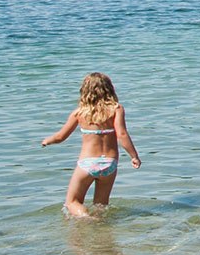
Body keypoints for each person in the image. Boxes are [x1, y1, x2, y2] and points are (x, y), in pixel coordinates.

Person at [41, 72, 141, 218]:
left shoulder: (79, 113)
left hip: (87, 164)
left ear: (85, 91)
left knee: (72, 202)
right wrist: (134, 156)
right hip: (109, 164)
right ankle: (99, 232)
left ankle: (88, 220)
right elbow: (122, 134)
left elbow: (60, 136)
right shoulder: (116, 109)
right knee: (101, 205)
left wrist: (47, 141)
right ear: (109, 89)